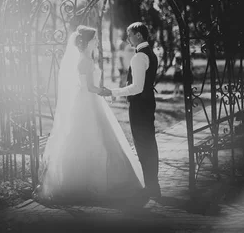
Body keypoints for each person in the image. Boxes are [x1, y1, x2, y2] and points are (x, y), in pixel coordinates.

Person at [34, 25, 144, 204]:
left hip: (90, 99)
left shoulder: (86, 58)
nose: (97, 42)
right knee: (92, 137)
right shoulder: (84, 61)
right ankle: (89, 182)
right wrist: (104, 91)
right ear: (88, 41)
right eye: (95, 39)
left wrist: (103, 91)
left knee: (99, 137)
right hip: (88, 100)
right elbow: (89, 87)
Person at [102, 22, 162, 199]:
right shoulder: (151, 53)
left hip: (139, 106)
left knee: (143, 145)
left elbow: (136, 87)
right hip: (147, 103)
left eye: (129, 35)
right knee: (149, 143)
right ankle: (153, 184)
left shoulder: (139, 57)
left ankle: (151, 186)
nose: (127, 38)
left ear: (138, 36)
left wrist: (113, 92)